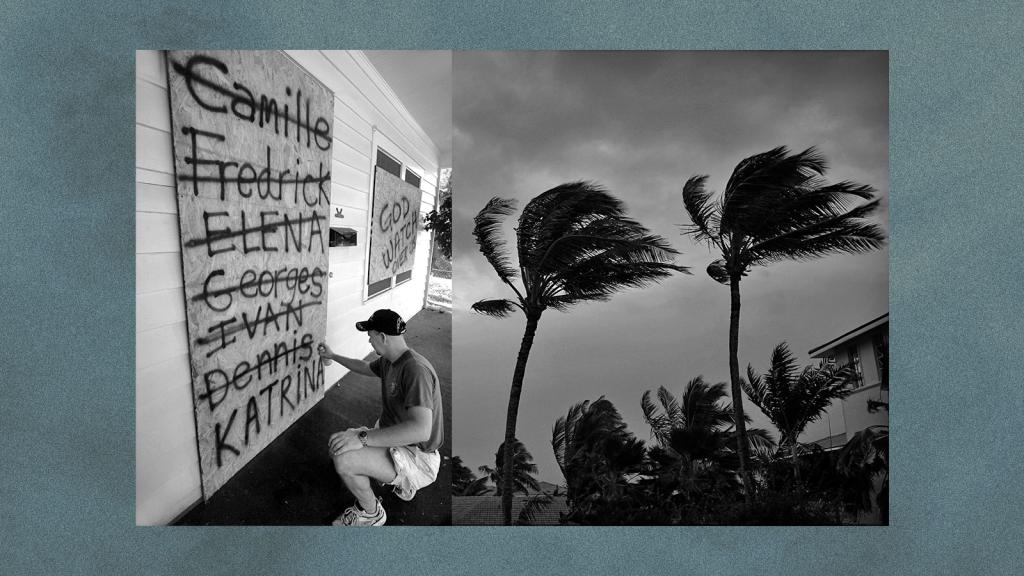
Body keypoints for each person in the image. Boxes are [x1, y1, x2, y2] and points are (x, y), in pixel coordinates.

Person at [317, 309, 444, 526]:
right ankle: (401, 481)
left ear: (383, 337)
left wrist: (363, 438)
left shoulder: (415, 370)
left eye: (371, 334)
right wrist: (333, 356)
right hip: (399, 442)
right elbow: (364, 367)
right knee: (341, 441)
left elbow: (421, 430)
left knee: (343, 458)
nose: (368, 339)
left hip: (418, 456)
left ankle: (372, 513)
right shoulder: (390, 360)